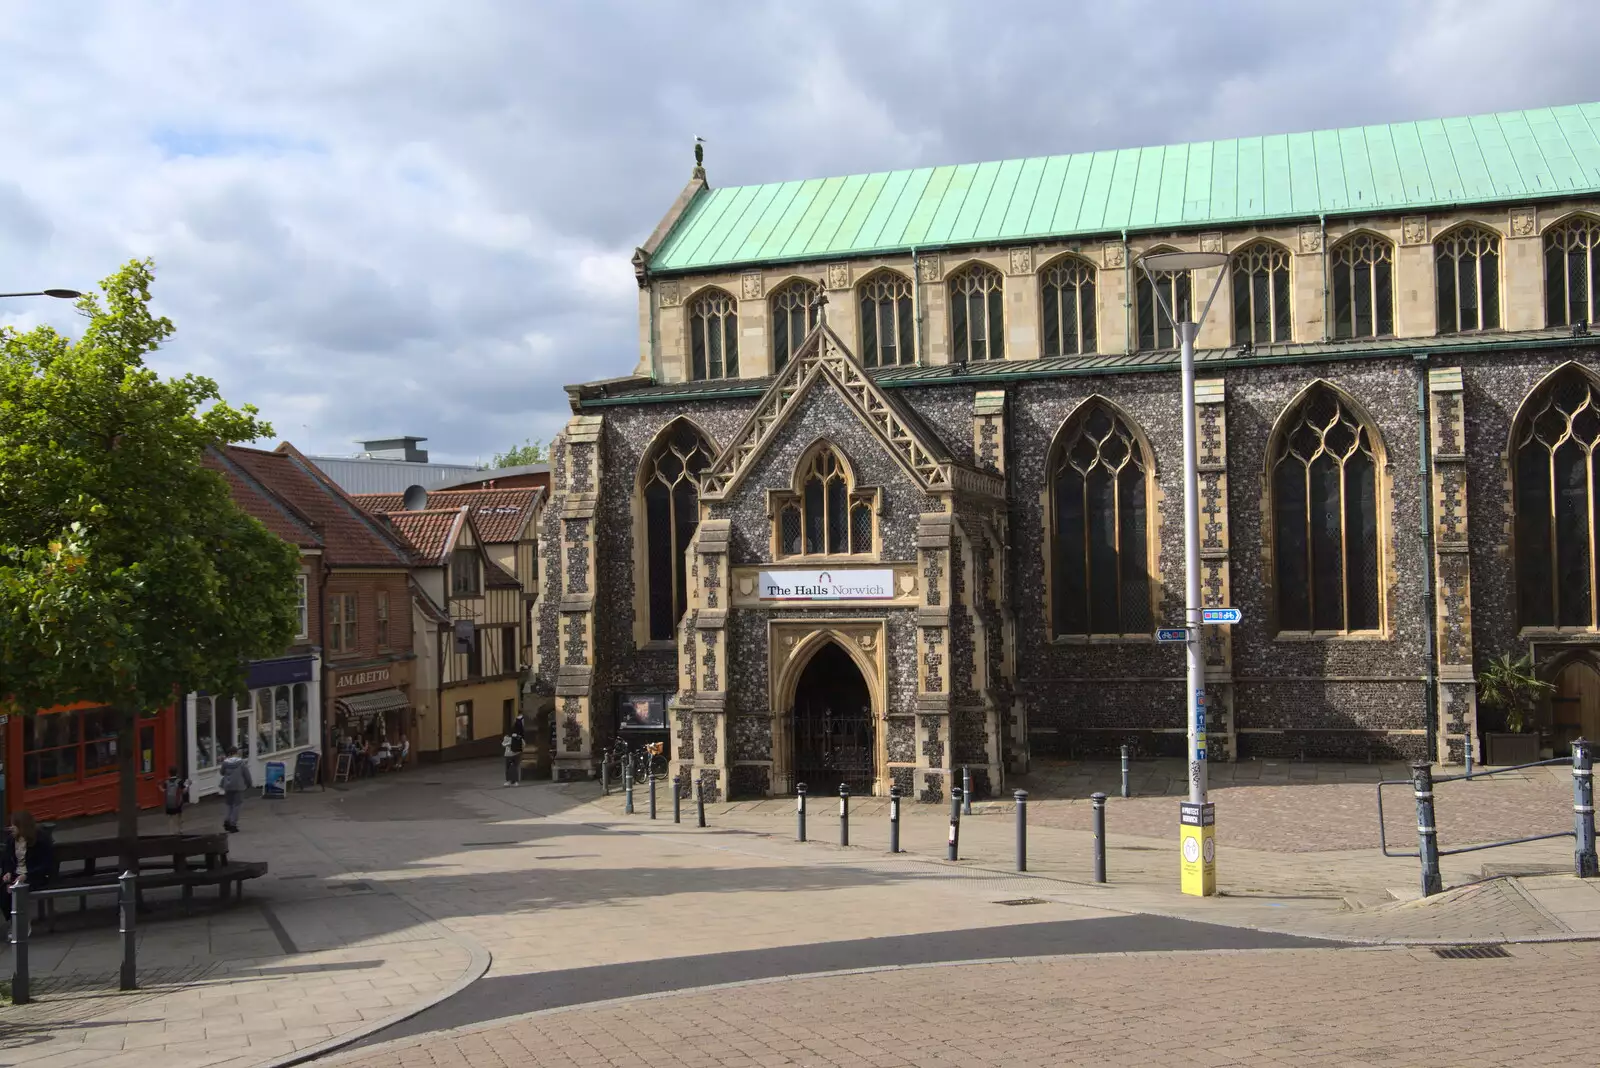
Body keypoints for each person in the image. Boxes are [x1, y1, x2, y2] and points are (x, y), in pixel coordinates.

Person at [3, 811, 55, 919]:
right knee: (4, 891)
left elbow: (46, 865)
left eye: (14, 825)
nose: (11, 828)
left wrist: (27, 875)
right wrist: (7, 872)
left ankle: (19, 924)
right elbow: (6, 859)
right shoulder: (11, 840)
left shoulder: (41, 840)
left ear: (22, 827)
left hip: (35, 876)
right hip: (15, 875)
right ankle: (12, 922)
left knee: (15, 891)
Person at [219, 746, 253, 832]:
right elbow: (246, 774)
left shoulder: (225, 763)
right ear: (236, 753)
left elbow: (222, 772)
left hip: (228, 786)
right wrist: (249, 784)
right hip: (238, 786)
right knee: (237, 805)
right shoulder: (241, 762)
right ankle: (233, 824)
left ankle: (227, 819)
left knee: (229, 804)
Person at [163, 766, 191, 834]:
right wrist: (188, 785)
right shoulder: (179, 781)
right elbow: (184, 791)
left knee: (170, 817)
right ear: (176, 773)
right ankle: (180, 829)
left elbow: (164, 791)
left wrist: (158, 787)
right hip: (178, 801)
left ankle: (171, 831)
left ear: (169, 773)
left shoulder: (166, 782)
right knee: (179, 815)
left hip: (169, 802)